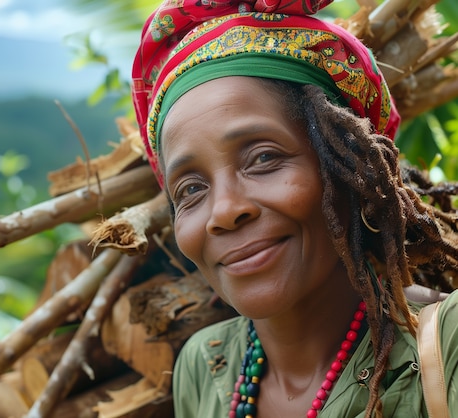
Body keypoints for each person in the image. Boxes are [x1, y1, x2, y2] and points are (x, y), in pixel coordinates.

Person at [131, 0, 458, 417]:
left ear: (347, 167)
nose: (225, 211)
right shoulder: (204, 366)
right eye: (191, 188)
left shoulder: (446, 346)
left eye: (263, 158)